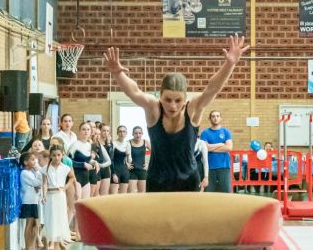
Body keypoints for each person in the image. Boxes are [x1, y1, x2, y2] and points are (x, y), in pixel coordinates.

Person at [103, 34, 250, 193]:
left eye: (178, 100)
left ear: (185, 98)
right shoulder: (153, 109)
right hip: (157, 180)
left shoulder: (192, 109)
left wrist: (230, 64)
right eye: (167, 99)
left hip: (188, 180)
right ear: (160, 95)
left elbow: (212, 89)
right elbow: (134, 92)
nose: (172, 106)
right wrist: (118, 74)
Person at [42, 145, 72, 250]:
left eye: (59, 155)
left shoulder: (65, 167)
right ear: (50, 156)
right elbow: (44, 183)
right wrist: (43, 195)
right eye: (54, 155)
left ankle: (56, 245)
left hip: (60, 195)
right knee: (51, 218)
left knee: (59, 218)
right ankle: (54, 243)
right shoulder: (46, 168)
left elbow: (72, 177)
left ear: (62, 155)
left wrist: (65, 187)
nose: (57, 157)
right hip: (50, 196)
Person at [199, 110, 233, 194]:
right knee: (208, 193)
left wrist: (211, 147)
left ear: (220, 118)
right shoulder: (205, 133)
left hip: (224, 167)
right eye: (213, 116)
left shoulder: (226, 132)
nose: (215, 118)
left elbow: (229, 147)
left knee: (225, 192)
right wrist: (220, 144)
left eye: (217, 116)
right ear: (209, 119)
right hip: (209, 168)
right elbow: (205, 148)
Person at [19, 152, 43, 250]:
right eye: (32, 160)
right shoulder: (25, 173)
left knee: (35, 224)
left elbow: (38, 185)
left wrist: (37, 183)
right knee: (30, 223)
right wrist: (38, 172)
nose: (35, 162)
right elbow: (36, 183)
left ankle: (32, 246)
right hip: (28, 201)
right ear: (25, 162)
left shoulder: (31, 173)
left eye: (35, 159)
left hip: (34, 200)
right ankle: (28, 247)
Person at [128, 126, 148, 194]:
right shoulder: (128, 142)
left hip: (142, 171)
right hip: (132, 171)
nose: (138, 135)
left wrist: (148, 164)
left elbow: (155, 153)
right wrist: (126, 164)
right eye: (136, 133)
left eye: (140, 133)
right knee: (131, 193)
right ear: (132, 134)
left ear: (142, 133)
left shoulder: (146, 142)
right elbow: (121, 155)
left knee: (142, 193)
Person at [112, 125, 132, 194]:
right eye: (120, 131)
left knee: (123, 196)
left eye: (124, 131)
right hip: (115, 170)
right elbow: (111, 160)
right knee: (113, 196)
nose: (122, 133)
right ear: (117, 133)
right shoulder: (113, 144)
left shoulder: (127, 144)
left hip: (124, 171)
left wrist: (128, 155)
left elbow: (129, 161)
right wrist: (113, 174)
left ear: (126, 133)